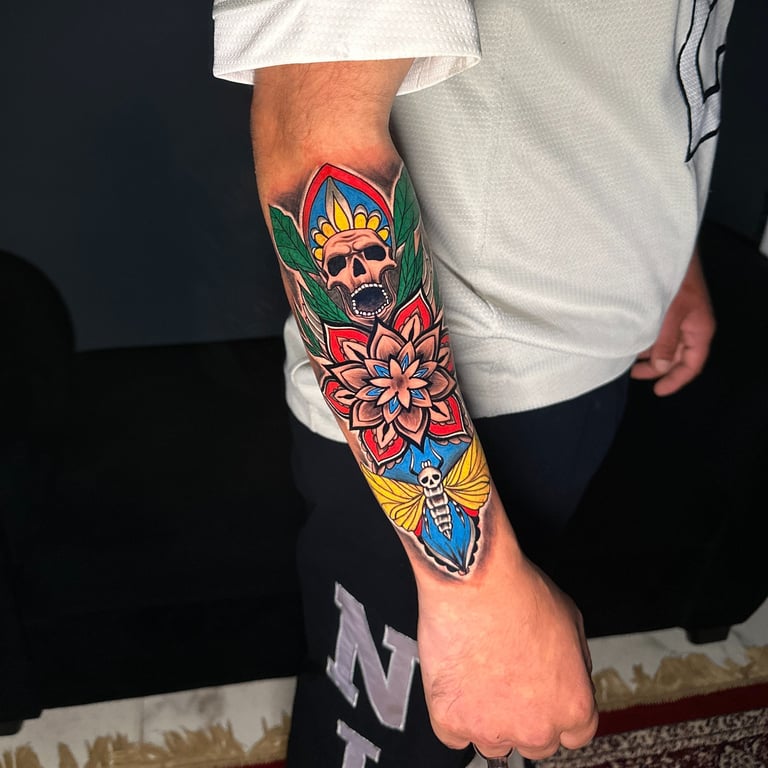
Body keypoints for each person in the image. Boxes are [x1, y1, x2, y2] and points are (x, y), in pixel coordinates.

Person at [212, 2, 732, 765]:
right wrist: (473, 590)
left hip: (583, 359)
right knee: (390, 746)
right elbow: (316, 140)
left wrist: (667, 249)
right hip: (449, 410)